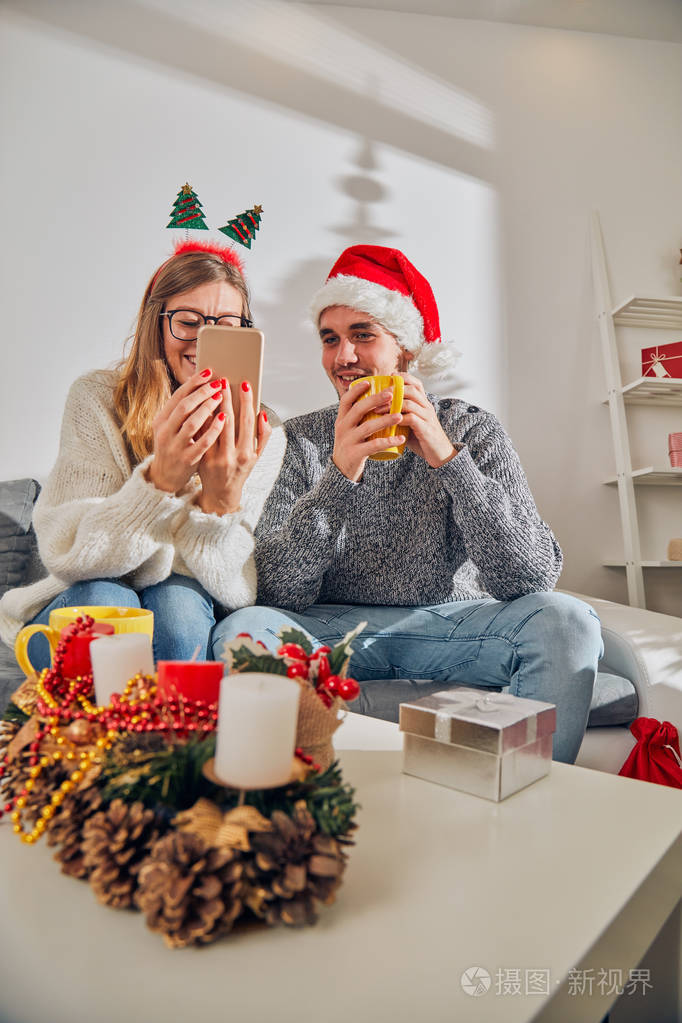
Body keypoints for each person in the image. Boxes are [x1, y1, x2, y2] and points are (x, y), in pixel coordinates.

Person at [213, 244, 602, 763]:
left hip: (453, 628)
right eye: (330, 340)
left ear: (407, 350)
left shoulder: (470, 428)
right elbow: (280, 592)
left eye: (363, 336)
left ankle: (531, 806)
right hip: (330, 630)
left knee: (568, 620)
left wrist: (447, 458)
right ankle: (291, 816)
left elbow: (529, 577)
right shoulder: (302, 439)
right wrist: (341, 472)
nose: (343, 357)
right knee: (243, 632)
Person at [0, 240, 285, 666]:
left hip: (184, 599)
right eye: (187, 322)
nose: (201, 341)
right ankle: (90, 731)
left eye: (225, 325)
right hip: (82, 591)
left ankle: (168, 732)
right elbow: (73, 555)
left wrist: (218, 503)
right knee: (103, 600)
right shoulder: (96, 399)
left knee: (178, 609)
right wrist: (161, 481)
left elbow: (230, 582)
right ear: (157, 324)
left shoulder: (264, 432)